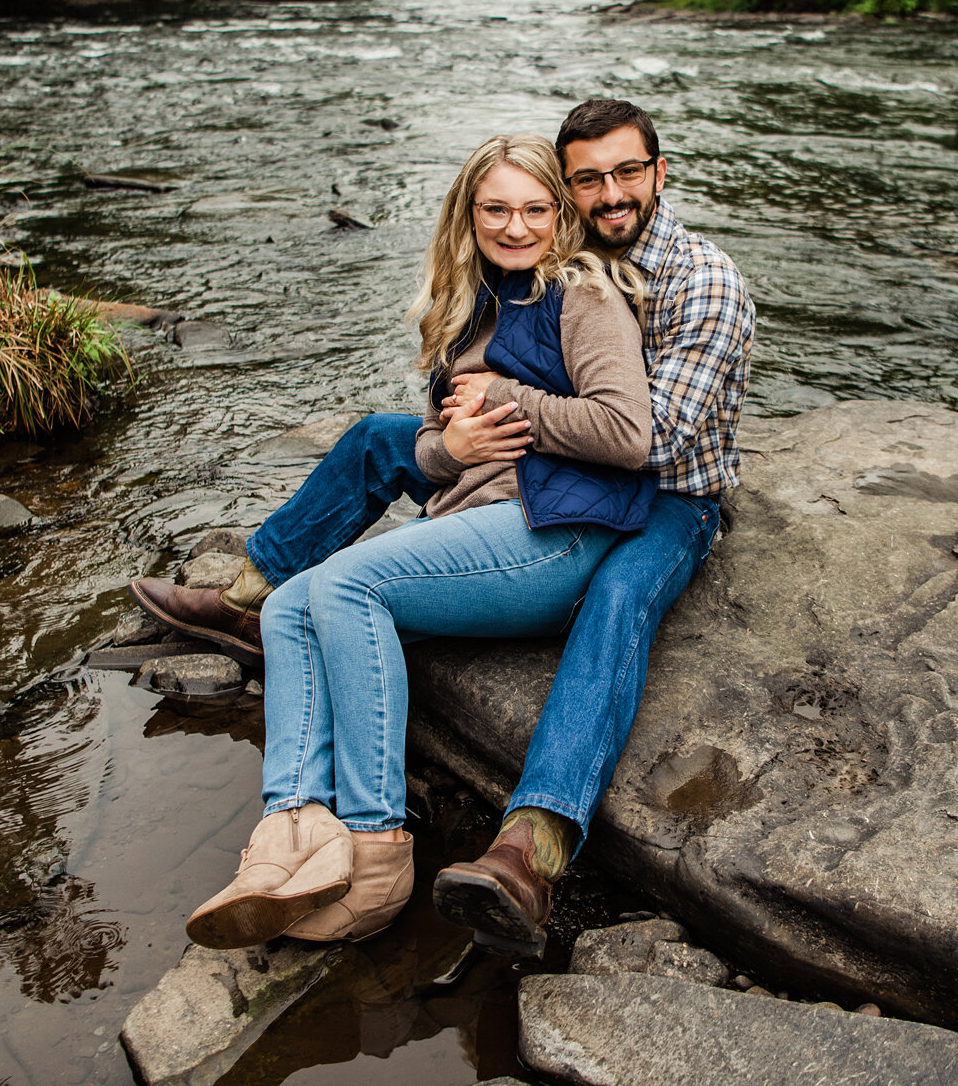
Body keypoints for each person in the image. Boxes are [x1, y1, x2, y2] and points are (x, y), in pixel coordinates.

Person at [132, 98, 756, 954]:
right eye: (585, 180)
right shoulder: (515, 279)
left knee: (614, 600)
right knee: (323, 549)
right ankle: (291, 827)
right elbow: (478, 395)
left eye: (623, 174)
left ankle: (521, 844)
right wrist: (452, 445)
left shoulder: (667, 279)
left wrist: (501, 416)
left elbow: (645, 440)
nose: (607, 192)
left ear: (657, 171)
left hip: (661, 498)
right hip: (545, 484)